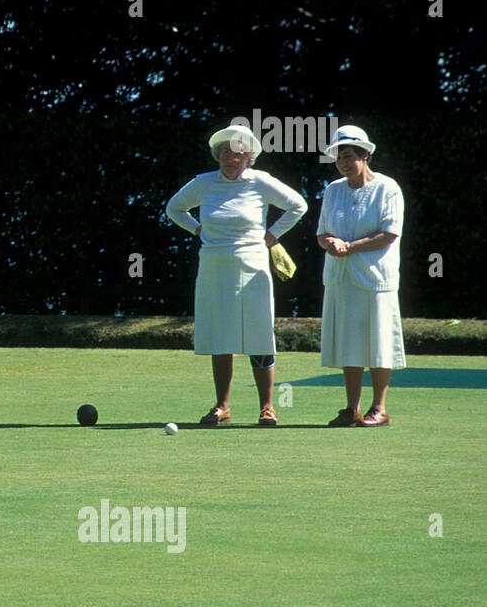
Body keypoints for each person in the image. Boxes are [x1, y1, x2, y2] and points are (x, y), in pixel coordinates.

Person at [165, 122, 308, 426]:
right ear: (218, 156)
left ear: (249, 157)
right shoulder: (203, 183)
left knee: (258, 337)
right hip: (214, 267)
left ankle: (268, 407)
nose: (231, 159)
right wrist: (197, 228)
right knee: (221, 337)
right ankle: (222, 406)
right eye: (226, 153)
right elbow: (174, 208)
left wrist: (271, 235)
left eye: (238, 154)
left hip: (253, 267)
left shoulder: (261, 181)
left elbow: (298, 205)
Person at [316, 125, 405, 427]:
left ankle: (379, 408)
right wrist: (331, 242)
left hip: (376, 278)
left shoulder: (388, 188)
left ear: (365, 155)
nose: (342, 163)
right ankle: (351, 408)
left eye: (349, 156)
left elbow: (389, 233)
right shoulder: (332, 190)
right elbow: (322, 233)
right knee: (349, 343)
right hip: (341, 278)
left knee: (378, 343)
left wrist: (350, 246)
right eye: (338, 157)